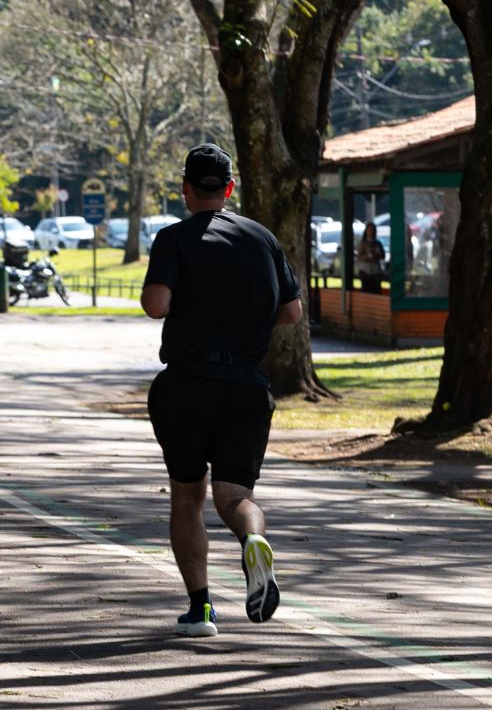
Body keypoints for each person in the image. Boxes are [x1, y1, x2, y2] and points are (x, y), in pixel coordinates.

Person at [140, 144, 303, 638]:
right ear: (230, 189)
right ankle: (253, 540)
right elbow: (292, 312)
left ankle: (202, 610)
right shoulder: (262, 239)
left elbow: (156, 305)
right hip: (247, 388)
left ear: (187, 189)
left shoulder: (174, 239)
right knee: (235, 494)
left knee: (189, 495)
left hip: (188, 384)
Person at [356, 223, 386, 294]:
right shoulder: (363, 243)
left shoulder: (378, 243)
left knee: (376, 292)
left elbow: (382, 256)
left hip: (376, 272)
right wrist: (368, 256)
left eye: (373, 230)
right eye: (369, 230)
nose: (371, 232)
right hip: (366, 272)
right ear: (366, 231)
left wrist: (377, 254)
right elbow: (359, 257)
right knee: (366, 291)